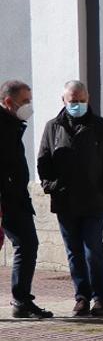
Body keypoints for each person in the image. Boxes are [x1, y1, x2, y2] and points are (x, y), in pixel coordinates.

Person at [37, 81, 103, 317]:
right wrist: (51, 186)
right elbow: (43, 160)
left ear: (88, 99)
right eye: (72, 100)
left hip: (94, 201)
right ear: (63, 100)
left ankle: (101, 299)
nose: (76, 104)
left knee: (92, 249)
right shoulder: (53, 127)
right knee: (73, 251)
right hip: (65, 201)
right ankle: (82, 297)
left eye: (81, 100)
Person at [0, 80, 52, 319]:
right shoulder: (5, 125)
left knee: (28, 244)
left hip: (16, 199)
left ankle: (21, 300)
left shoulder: (13, 124)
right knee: (26, 244)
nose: (29, 106)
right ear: (8, 101)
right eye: (25, 101)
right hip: (6, 199)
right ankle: (21, 300)